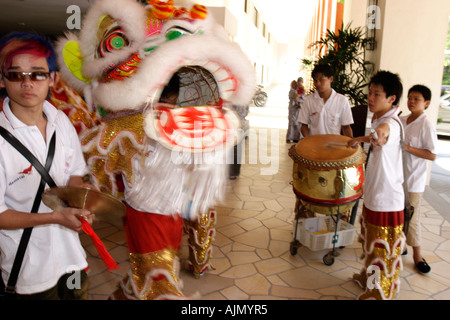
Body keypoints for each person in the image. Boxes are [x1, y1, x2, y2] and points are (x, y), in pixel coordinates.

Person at [0, 32, 93, 300]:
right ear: (2, 80)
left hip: (72, 258)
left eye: (38, 73)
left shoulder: (61, 121)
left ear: (52, 78)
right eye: (16, 74)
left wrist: (80, 200)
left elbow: (75, 172)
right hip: (29, 269)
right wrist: (55, 217)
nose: (27, 83)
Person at [347, 70, 405, 300]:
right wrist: (361, 139)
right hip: (375, 194)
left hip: (386, 199)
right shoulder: (379, 117)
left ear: (391, 98)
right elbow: (375, 136)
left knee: (383, 248)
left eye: (377, 94)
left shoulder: (389, 122)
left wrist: (373, 137)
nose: (371, 98)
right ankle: (368, 277)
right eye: (370, 92)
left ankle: (379, 292)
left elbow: (382, 135)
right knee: (370, 241)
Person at [400, 84, 437, 274]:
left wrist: (408, 148)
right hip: (397, 178)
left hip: (414, 181)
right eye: (410, 97)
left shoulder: (426, 125)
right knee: (398, 216)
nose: (412, 101)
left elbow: (432, 155)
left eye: (417, 99)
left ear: (426, 103)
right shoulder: (401, 120)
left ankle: (417, 256)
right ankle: (402, 247)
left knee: (411, 218)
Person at [298, 64, 354, 138]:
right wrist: (307, 140)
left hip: (334, 146)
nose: (317, 83)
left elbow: (346, 127)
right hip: (315, 146)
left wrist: (351, 141)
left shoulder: (342, 101)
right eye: (315, 80)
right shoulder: (309, 100)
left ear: (331, 79)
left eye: (321, 80)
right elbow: (304, 125)